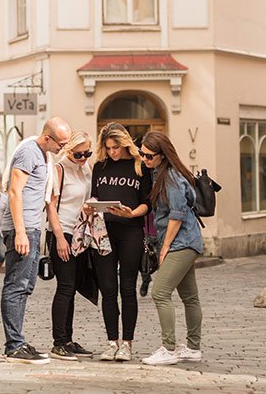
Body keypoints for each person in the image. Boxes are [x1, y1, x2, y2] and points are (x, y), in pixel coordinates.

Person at [1, 116, 72, 364]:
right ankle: (14, 346)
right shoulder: (29, 152)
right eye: (61, 143)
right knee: (16, 285)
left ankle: (17, 341)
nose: (63, 147)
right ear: (47, 138)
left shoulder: (43, 155)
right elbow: (14, 192)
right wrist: (20, 232)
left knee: (26, 286)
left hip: (32, 227)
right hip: (22, 229)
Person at [138, 132, 204, 366]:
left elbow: (177, 214)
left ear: (162, 155)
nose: (144, 159)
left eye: (148, 155)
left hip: (182, 243)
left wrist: (165, 248)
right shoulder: (160, 173)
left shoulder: (171, 177)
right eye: (141, 154)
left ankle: (168, 348)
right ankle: (194, 348)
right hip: (185, 241)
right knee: (190, 297)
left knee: (160, 292)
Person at [88, 122, 152, 362]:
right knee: (108, 290)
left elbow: (148, 203)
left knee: (127, 288)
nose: (113, 152)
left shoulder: (140, 167)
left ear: (125, 143)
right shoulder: (100, 167)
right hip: (103, 232)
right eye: (109, 147)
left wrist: (132, 213)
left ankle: (127, 344)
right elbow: (95, 195)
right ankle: (111, 342)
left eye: (116, 147)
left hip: (130, 232)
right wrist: (90, 204)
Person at [46, 131, 96, 361]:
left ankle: (68, 339)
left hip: (80, 233)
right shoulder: (59, 169)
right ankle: (58, 343)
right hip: (62, 231)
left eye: (87, 153)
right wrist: (59, 239)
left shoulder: (86, 168)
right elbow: (51, 207)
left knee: (73, 287)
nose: (83, 157)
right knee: (65, 287)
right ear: (69, 150)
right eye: (79, 154)